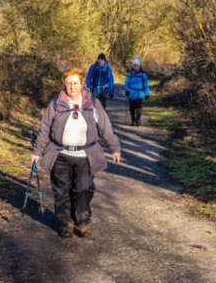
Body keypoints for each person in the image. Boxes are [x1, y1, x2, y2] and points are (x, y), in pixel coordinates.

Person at [30, 68, 121, 238]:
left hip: (84, 157)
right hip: (60, 155)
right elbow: (44, 129)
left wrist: (114, 147)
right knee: (61, 191)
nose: (72, 86)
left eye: (75, 83)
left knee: (83, 188)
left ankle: (83, 220)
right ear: (64, 84)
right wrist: (37, 152)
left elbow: (105, 127)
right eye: (68, 83)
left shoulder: (92, 103)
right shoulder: (56, 104)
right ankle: (66, 224)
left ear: (82, 84)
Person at [124, 55, 150, 126]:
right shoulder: (130, 74)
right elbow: (126, 82)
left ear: (139, 66)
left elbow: (146, 84)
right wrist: (126, 90)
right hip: (131, 93)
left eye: (137, 66)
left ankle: (138, 120)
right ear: (133, 66)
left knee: (138, 106)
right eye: (134, 66)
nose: (135, 67)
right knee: (132, 107)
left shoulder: (143, 74)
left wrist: (147, 94)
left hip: (140, 93)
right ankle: (133, 120)